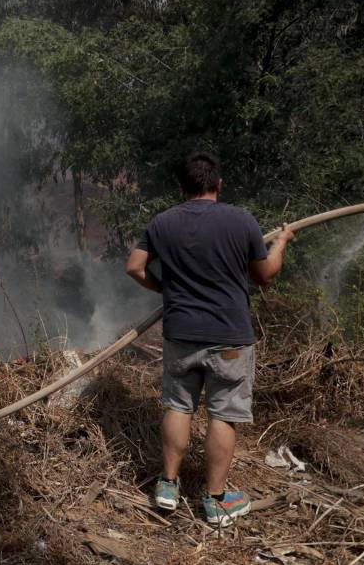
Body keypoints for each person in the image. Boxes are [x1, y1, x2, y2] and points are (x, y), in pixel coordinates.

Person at [125, 152, 294, 526]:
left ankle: (167, 486)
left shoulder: (163, 222)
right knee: (224, 414)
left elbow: (134, 267)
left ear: (182, 187)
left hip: (181, 332)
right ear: (218, 184)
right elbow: (264, 275)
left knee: (178, 406)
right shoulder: (241, 220)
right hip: (229, 338)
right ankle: (215, 501)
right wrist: (281, 242)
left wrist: (165, 289)